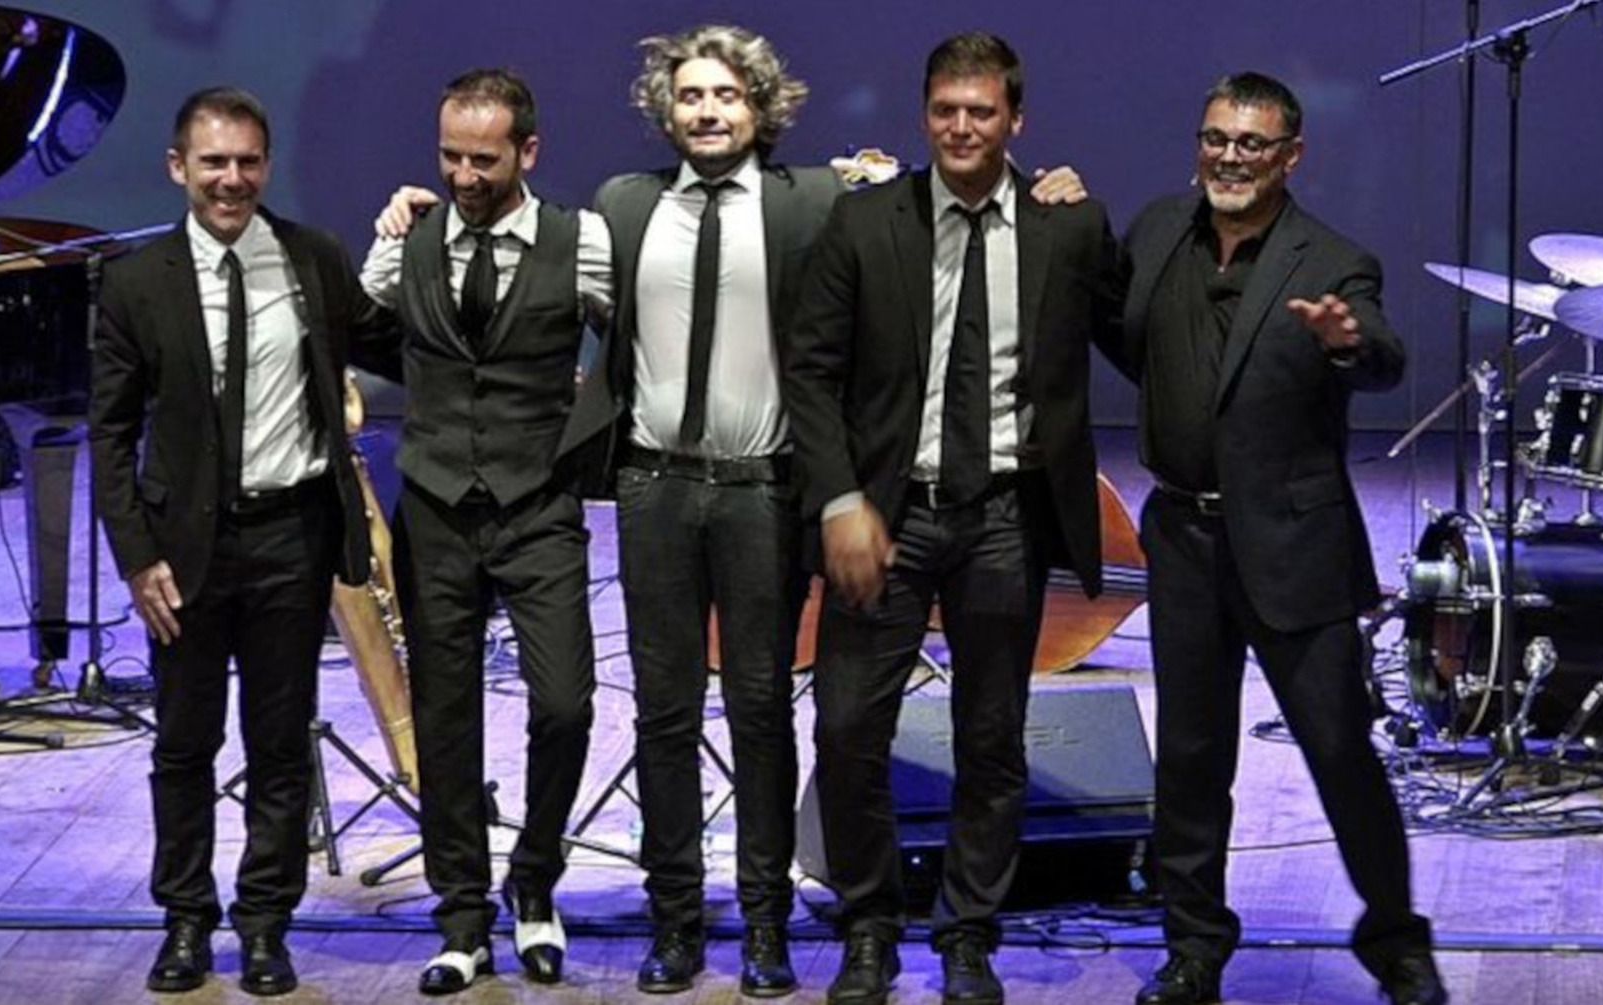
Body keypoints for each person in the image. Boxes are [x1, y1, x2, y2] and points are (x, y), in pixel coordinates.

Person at [782, 32, 1122, 1005]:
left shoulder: (1065, 225)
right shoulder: (866, 222)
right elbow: (811, 372)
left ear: (1015, 119)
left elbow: (1134, 327)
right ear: (925, 114)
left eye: (981, 112)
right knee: (849, 729)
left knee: (992, 736)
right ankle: (869, 928)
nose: (961, 128)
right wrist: (840, 498)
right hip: (888, 517)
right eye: (945, 111)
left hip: (1006, 515)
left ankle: (968, 933)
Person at [1117, 72, 1445, 1005]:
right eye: (1215, 138)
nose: (1229, 157)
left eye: (1251, 144)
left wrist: (1344, 342)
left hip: (1294, 545)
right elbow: (1120, 330)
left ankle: (1397, 942)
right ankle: (1194, 947)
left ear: (1290, 156)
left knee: (1340, 748)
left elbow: (1380, 354)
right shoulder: (1157, 232)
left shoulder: (1333, 259)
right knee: (1190, 757)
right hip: (1184, 536)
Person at [555, 24, 836, 997]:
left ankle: (764, 922)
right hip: (656, 488)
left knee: (759, 709)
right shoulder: (625, 205)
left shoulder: (810, 200)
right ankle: (674, 920)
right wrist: (408, 216)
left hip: (762, 490)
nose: (708, 111)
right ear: (664, 110)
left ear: (760, 105)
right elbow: (547, 263)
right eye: (690, 96)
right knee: (664, 715)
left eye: (726, 94)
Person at [88, 86, 380, 998]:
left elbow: (396, 339)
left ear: (267, 165)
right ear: (179, 166)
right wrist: (137, 555)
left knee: (280, 741)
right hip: (184, 551)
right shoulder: (136, 282)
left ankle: (264, 925)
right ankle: (185, 918)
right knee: (184, 744)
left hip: (292, 534)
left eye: (248, 161)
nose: (232, 179)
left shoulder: (312, 258)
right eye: (214, 162)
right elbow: (109, 432)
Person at [358, 69, 613, 994]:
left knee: (566, 704)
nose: (464, 176)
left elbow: (637, 345)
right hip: (435, 506)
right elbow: (364, 326)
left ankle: (533, 879)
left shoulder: (582, 243)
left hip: (537, 505)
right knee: (446, 717)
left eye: (483, 159)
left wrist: (589, 431)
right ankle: (462, 914)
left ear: (527, 152)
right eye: (450, 157)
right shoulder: (409, 241)